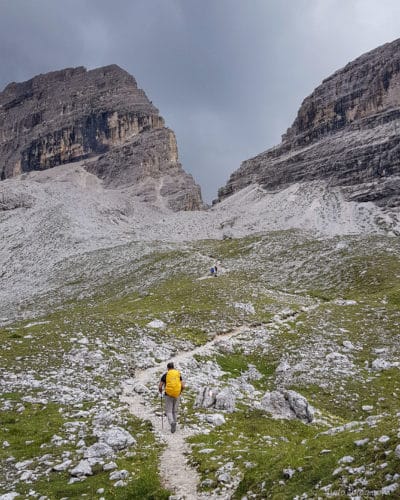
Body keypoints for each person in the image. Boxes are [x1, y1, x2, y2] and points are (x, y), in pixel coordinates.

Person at [159, 361, 185, 433]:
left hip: (168, 395)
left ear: (168, 368)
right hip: (177, 394)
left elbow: (160, 386)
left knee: (168, 411)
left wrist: (160, 391)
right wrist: (180, 392)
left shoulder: (165, 375)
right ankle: (175, 425)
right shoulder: (178, 375)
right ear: (173, 367)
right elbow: (183, 386)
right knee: (175, 411)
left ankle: (172, 423)